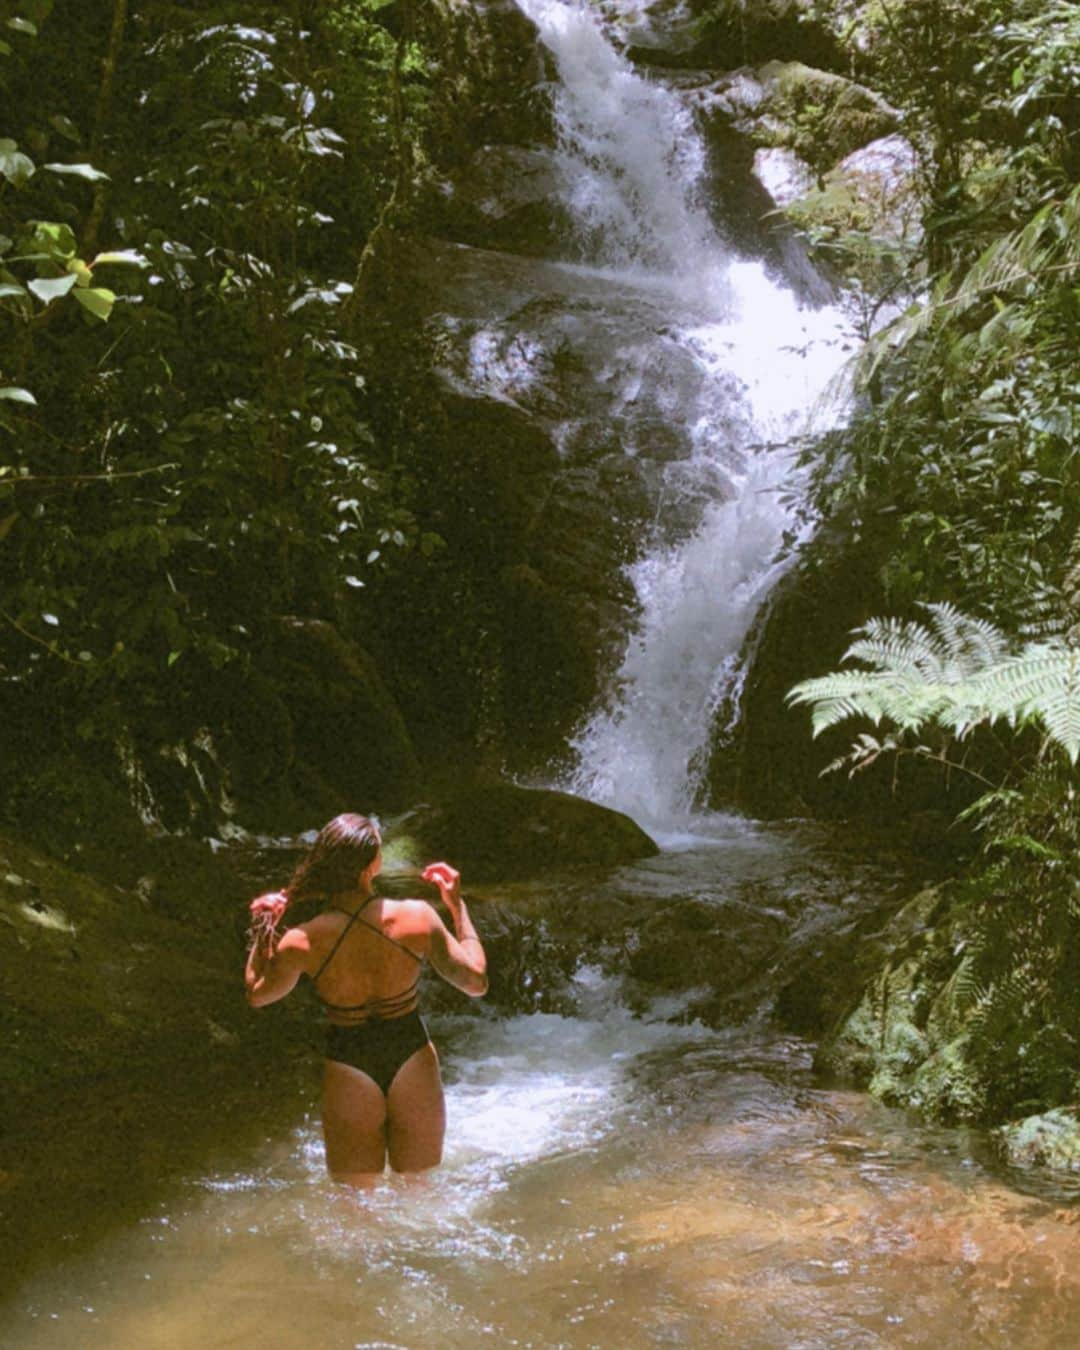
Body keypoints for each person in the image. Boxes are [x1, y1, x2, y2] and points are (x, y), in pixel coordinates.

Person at [244, 813, 487, 1186]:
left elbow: (258, 995)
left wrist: (263, 932)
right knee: (420, 1192)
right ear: (373, 864)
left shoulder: (303, 940)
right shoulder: (417, 918)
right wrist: (457, 908)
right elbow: (476, 982)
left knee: (355, 1206)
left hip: (348, 1061)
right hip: (411, 1055)